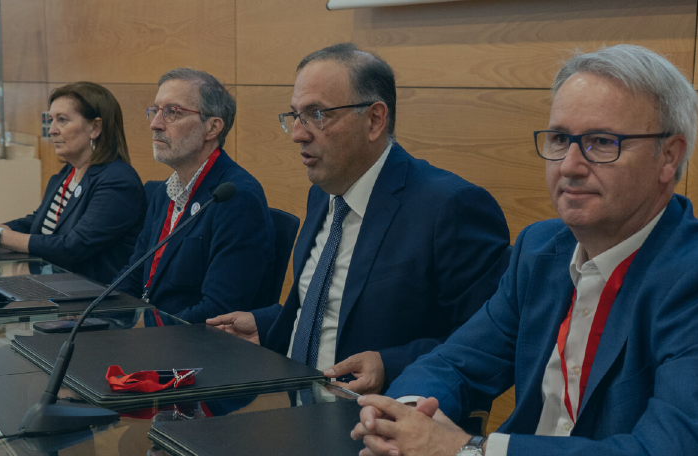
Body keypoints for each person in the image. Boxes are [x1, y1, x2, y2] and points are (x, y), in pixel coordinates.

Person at [351, 44, 698, 456]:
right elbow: (455, 362)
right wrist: (403, 421)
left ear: (668, 158)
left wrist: (466, 455)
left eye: (602, 142)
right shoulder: (541, 250)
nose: (569, 165)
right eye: (561, 138)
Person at [208, 43, 510, 395]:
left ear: (374, 120)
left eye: (317, 114)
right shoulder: (323, 191)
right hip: (288, 404)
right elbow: (332, 308)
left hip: (375, 423)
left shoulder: (450, 206)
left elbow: (490, 343)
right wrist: (267, 323)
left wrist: (390, 364)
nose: (298, 134)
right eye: (296, 116)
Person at [114, 68, 275, 322]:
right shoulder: (163, 192)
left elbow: (218, 310)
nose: (155, 124)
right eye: (155, 111)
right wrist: (100, 317)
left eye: (172, 113)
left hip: (198, 351)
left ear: (212, 128)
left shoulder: (236, 197)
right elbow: (134, 276)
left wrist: (145, 333)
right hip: (154, 339)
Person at [0, 82, 145, 285]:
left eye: (62, 120)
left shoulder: (117, 181)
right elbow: (37, 222)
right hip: (57, 285)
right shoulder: (69, 172)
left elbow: (72, 247)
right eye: (51, 120)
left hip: (93, 300)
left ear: (95, 127)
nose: (52, 130)